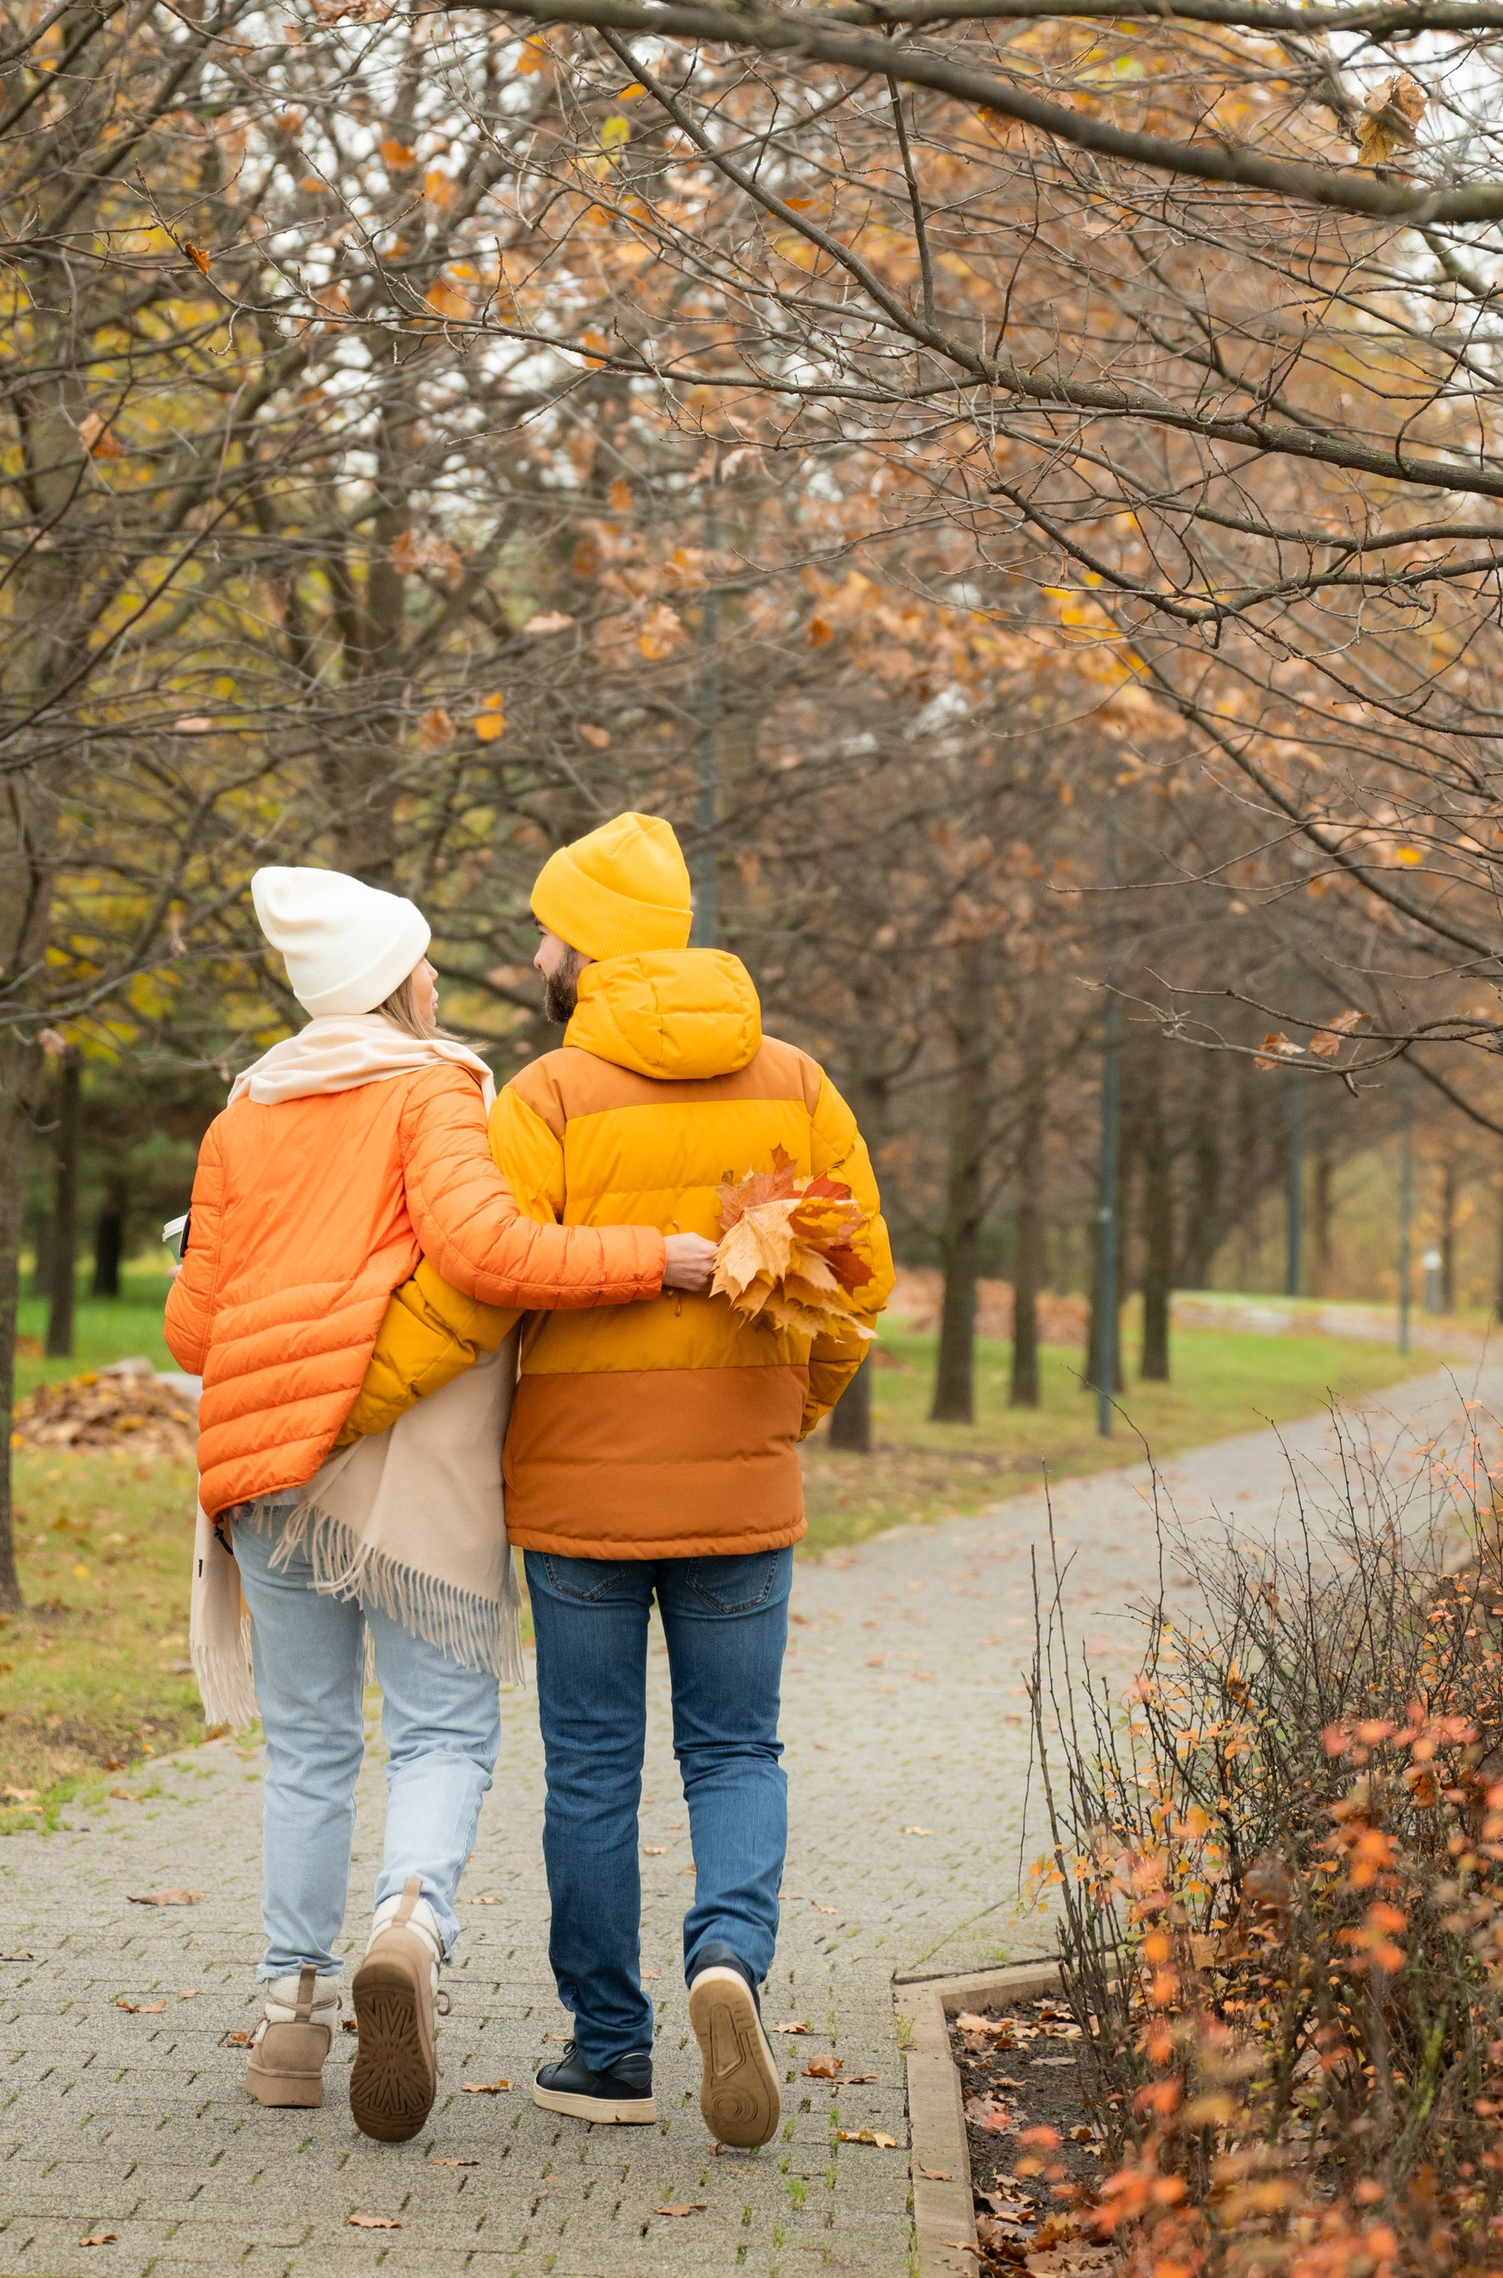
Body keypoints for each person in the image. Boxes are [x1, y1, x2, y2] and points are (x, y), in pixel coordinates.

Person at [163, 863, 716, 2143]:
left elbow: (195, 1323)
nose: (433, 977)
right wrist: (659, 1254)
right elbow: (487, 1254)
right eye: (417, 960)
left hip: (269, 1472)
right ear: (392, 978)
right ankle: (409, 1921)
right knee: (441, 1735)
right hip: (410, 1470)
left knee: (306, 1749)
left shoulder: (245, 1105)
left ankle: (289, 2020)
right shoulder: (438, 1087)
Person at [495, 810, 890, 2150]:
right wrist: (793, 1405)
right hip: (738, 1480)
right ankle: (729, 1959)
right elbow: (861, 1275)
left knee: (592, 1766)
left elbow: (493, 1272)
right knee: (735, 1747)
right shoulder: (795, 1079)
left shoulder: (546, 1093)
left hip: (577, 1488)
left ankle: (610, 2052)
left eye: (548, 925)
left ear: (586, 947)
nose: (536, 949)